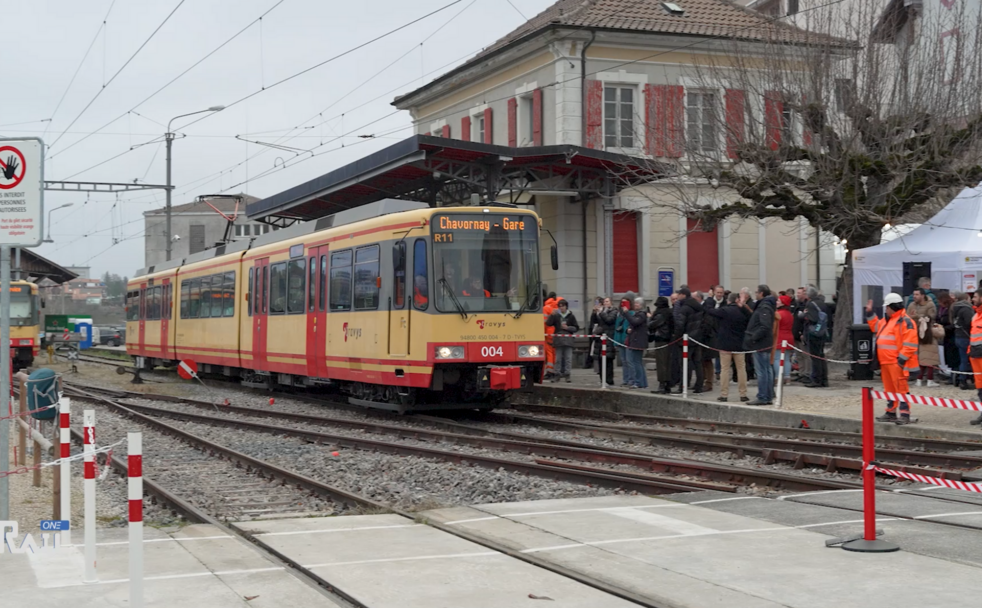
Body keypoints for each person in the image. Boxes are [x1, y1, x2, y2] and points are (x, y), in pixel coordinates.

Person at [866, 294, 919, 424]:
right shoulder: (888, 320)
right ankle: (891, 412)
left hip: (896, 363)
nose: (885, 310)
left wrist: (901, 360)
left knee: (901, 388)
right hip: (886, 362)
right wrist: (870, 313)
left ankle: (904, 415)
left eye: (886, 307)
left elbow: (910, 344)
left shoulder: (905, 322)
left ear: (891, 307)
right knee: (889, 389)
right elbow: (875, 326)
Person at [706, 292, 751, 402]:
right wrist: (744, 306)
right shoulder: (743, 312)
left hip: (725, 344)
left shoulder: (724, 311)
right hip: (739, 345)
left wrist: (709, 298)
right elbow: (751, 317)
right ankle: (743, 394)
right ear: (737, 300)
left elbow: (710, 311)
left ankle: (724, 394)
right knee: (741, 369)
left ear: (728, 301)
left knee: (724, 369)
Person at [744, 285, 776, 405]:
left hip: (761, 343)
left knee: (762, 371)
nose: (755, 294)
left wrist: (754, 337)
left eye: (757, 292)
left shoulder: (764, 307)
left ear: (761, 293)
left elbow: (765, 326)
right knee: (766, 370)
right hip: (765, 343)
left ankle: (763, 396)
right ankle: (767, 396)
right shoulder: (766, 306)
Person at [674, 286, 706, 393]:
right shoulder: (698, 306)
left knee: (684, 363)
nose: (677, 296)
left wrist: (676, 338)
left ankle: (683, 387)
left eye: (679, 294)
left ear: (683, 295)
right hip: (697, 338)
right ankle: (699, 386)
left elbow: (680, 325)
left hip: (687, 339)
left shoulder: (685, 308)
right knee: (697, 362)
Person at [907, 287, 940, 387]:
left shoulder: (930, 305)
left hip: (926, 334)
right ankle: (919, 378)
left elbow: (931, 317)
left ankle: (928, 379)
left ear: (922, 295)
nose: (914, 296)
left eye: (917, 294)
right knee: (918, 357)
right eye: (914, 294)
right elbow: (907, 317)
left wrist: (918, 316)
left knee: (929, 356)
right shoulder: (911, 305)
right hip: (913, 334)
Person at [802, 286, 829, 388]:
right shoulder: (822, 303)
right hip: (822, 331)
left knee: (815, 357)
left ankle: (816, 379)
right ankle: (824, 379)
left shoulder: (810, 304)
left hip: (814, 333)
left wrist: (803, 316)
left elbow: (812, 318)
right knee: (821, 356)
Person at [648, 296, 674, 394]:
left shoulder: (661, 314)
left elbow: (652, 324)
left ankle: (662, 385)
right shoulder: (669, 312)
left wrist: (649, 317)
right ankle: (667, 385)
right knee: (667, 363)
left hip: (661, 340)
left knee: (661, 363)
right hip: (668, 340)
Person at [548, 299, 578, 383]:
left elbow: (576, 327)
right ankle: (557, 374)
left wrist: (568, 328)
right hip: (559, 340)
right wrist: (551, 315)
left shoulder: (571, 316)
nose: (561, 308)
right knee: (558, 359)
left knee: (568, 358)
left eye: (563, 306)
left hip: (568, 340)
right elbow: (548, 323)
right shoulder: (556, 315)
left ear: (566, 307)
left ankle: (567, 374)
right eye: (560, 306)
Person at [622, 297, 649, 389]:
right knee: (637, 362)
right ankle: (642, 382)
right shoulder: (639, 314)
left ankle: (638, 382)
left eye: (637, 303)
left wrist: (626, 313)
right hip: (635, 340)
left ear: (641, 305)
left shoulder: (641, 314)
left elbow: (634, 322)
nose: (635, 305)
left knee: (636, 362)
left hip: (638, 341)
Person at [952, 291, 975, 390]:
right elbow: (970, 323)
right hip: (966, 337)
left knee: (963, 359)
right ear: (966, 299)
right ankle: (964, 379)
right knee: (968, 360)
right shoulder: (966, 309)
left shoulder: (955, 308)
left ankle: (961, 378)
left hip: (958, 336)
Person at [596, 297, 617, 386]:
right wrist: (596, 313)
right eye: (604, 302)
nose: (605, 303)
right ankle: (602, 379)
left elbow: (609, 320)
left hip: (609, 337)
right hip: (601, 338)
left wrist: (602, 313)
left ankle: (609, 379)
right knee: (600, 359)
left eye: (607, 301)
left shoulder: (614, 311)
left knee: (608, 360)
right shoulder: (602, 312)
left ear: (611, 303)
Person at [791, 287, 811, 382]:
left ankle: (807, 373)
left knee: (805, 355)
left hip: (802, 334)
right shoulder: (797, 305)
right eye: (797, 293)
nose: (798, 294)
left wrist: (803, 332)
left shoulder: (806, 305)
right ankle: (801, 372)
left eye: (800, 293)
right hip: (796, 334)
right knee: (799, 355)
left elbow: (805, 321)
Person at [773, 294, 794, 383]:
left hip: (780, 337)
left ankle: (778, 377)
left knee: (777, 358)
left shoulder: (778, 314)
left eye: (778, 301)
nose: (776, 302)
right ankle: (787, 377)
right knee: (786, 359)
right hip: (789, 337)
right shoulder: (789, 314)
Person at [968, 290, 982, 425]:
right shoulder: (975, 316)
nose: (973, 299)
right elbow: (973, 337)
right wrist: (969, 351)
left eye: (975, 297)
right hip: (976, 357)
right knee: (980, 387)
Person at [614, 297, 631, 386]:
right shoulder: (619, 314)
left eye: (625, 303)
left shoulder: (631, 313)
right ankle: (625, 379)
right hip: (620, 339)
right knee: (624, 361)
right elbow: (616, 328)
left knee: (629, 361)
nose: (623, 305)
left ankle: (631, 380)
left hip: (627, 340)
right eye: (622, 303)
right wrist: (615, 341)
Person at [542, 292, 558, 380]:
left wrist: (542, 333)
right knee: (555, 352)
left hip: (548, 333)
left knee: (549, 353)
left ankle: (549, 371)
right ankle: (555, 370)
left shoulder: (545, 308)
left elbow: (544, 323)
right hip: (557, 333)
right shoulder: (557, 307)